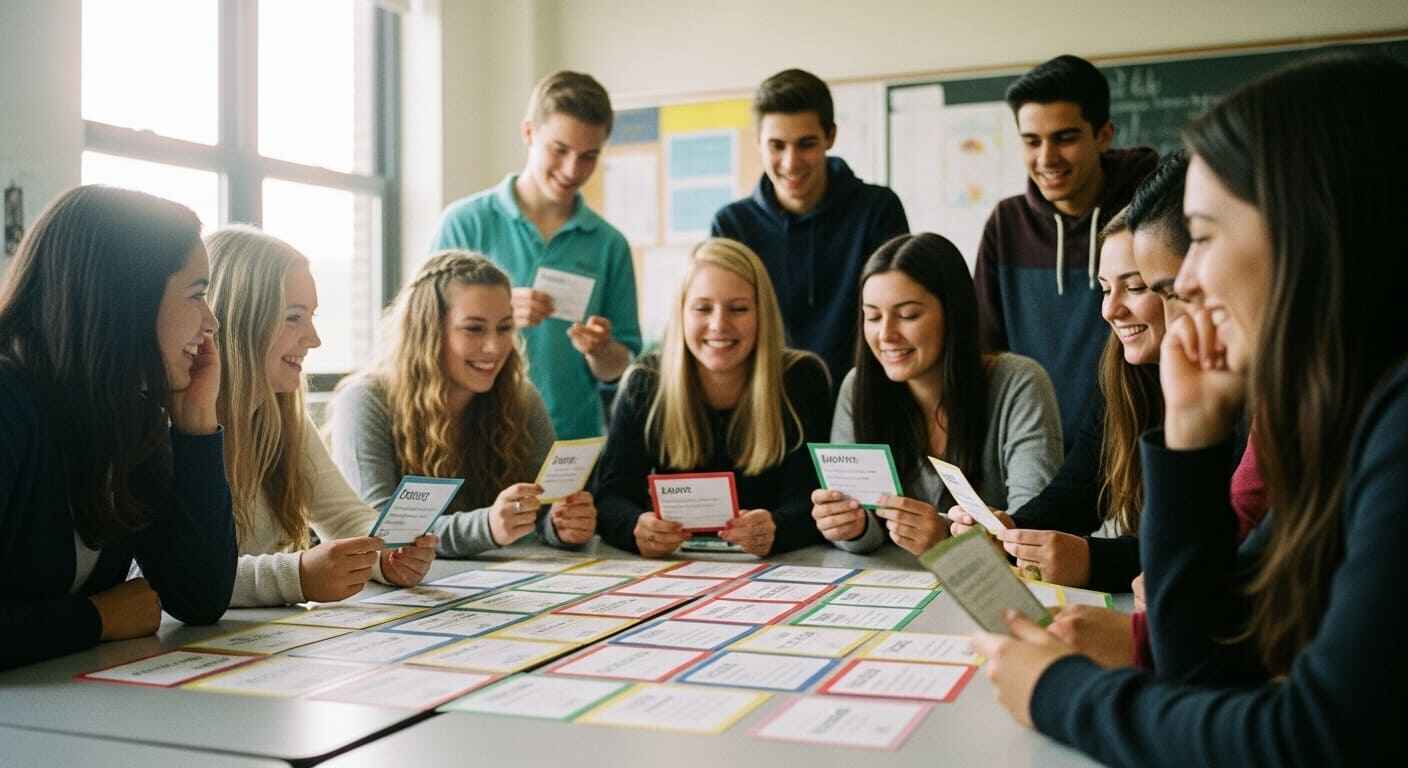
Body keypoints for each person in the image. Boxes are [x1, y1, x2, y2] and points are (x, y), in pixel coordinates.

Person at [974, 52, 1408, 765]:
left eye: (1202, 237)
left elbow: (1312, 739)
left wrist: (1061, 694)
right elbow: (1208, 656)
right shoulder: (1343, 412)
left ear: (1312, 226)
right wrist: (1189, 434)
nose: (1190, 285)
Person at [0, 186, 236, 669]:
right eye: (197, 294)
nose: (211, 322)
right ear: (127, 297)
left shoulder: (127, 411)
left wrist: (194, 425)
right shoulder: (8, 401)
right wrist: (95, 619)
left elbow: (199, 597)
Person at [206, 226, 436, 607]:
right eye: (293, 318)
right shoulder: (171, 424)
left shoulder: (282, 414)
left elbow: (345, 519)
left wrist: (386, 556)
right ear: (240, 320)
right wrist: (294, 575)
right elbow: (172, 577)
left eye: (311, 317)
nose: (314, 339)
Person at [329, 251, 597, 557]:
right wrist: (487, 527)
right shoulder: (366, 401)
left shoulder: (521, 398)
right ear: (428, 330)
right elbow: (379, 532)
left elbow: (544, 510)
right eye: (474, 328)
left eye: (505, 327)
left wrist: (562, 526)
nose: (494, 347)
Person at [811, 233, 1063, 557]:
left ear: (953, 312)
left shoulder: (1019, 383)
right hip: (890, 586)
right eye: (872, 316)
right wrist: (851, 525)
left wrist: (947, 539)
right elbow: (864, 527)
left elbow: (1032, 530)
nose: (886, 334)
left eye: (908, 315)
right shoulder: (857, 386)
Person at [950, 210, 1161, 591]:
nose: (1110, 310)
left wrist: (1094, 561)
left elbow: (1213, 545)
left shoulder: (1232, 393)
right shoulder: (1122, 373)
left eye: (1135, 287)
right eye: (1105, 288)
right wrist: (1010, 529)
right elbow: (1078, 489)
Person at [431, 71, 641, 440]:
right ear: (529, 133)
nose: (571, 170)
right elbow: (425, 332)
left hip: (570, 445)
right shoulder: (465, 224)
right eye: (559, 150)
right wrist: (499, 313)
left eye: (588, 156)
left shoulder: (610, 245)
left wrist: (601, 349)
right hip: (474, 435)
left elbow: (619, 367)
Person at [595, 238, 831, 557]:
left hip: (782, 569)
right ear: (682, 314)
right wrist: (636, 526)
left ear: (763, 314)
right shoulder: (645, 381)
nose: (719, 325)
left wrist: (779, 527)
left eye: (738, 309)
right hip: (672, 568)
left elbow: (819, 499)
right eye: (703, 308)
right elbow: (610, 496)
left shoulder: (801, 378)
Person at [974, 54, 1157, 453]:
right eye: (1031, 141)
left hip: (1137, 443)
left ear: (1104, 134)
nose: (1046, 158)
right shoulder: (1006, 225)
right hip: (1034, 450)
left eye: (1065, 138)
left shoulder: (1151, 215)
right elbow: (988, 350)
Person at [711, 68, 909, 383]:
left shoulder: (877, 209)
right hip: (768, 401)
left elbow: (897, 314)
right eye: (777, 145)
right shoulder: (731, 225)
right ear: (758, 142)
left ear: (830, 136)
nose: (791, 162)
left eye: (806, 144)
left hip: (861, 396)